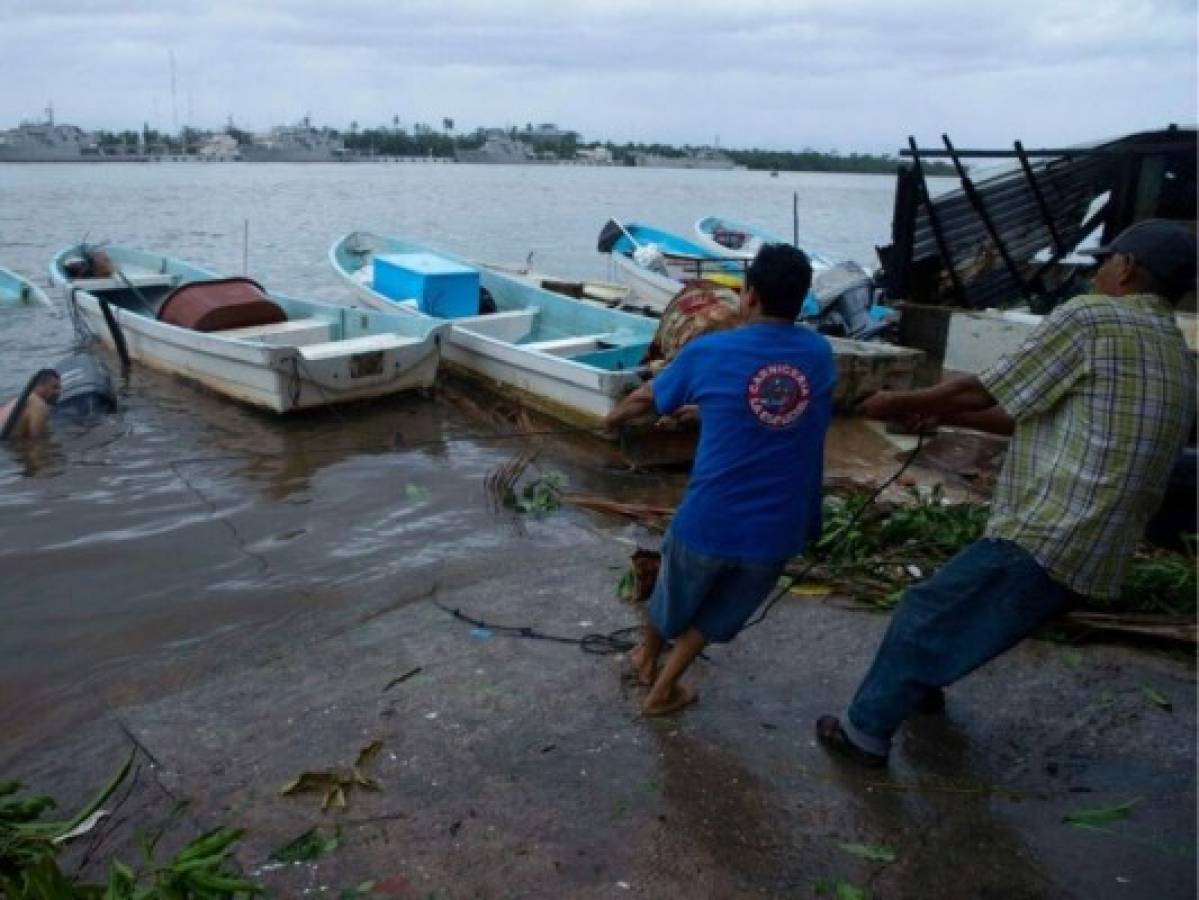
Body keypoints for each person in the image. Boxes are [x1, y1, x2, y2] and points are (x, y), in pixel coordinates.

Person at [817, 219, 1198, 768]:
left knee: (926, 609)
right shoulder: (1172, 349)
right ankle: (919, 688)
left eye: (1103, 263)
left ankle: (863, 735)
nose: (1096, 274)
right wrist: (942, 411)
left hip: (1058, 524)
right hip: (1102, 541)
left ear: (1128, 268)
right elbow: (1032, 416)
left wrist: (897, 403)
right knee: (964, 607)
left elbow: (984, 386)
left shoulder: (1094, 316)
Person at [603, 243, 837, 716]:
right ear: (803, 299)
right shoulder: (820, 353)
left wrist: (610, 421)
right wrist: (705, 409)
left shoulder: (711, 350)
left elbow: (645, 400)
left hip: (709, 521)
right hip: (779, 528)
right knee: (715, 616)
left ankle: (647, 659)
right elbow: (771, 409)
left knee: (671, 593)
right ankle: (663, 685)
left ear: (748, 296)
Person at [0, 369, 61, 441]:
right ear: (40, 386)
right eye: (54, 387)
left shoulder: (18, 400)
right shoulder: (39, 404)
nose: (58, 392)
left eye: (59, 388)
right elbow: (37, 444)